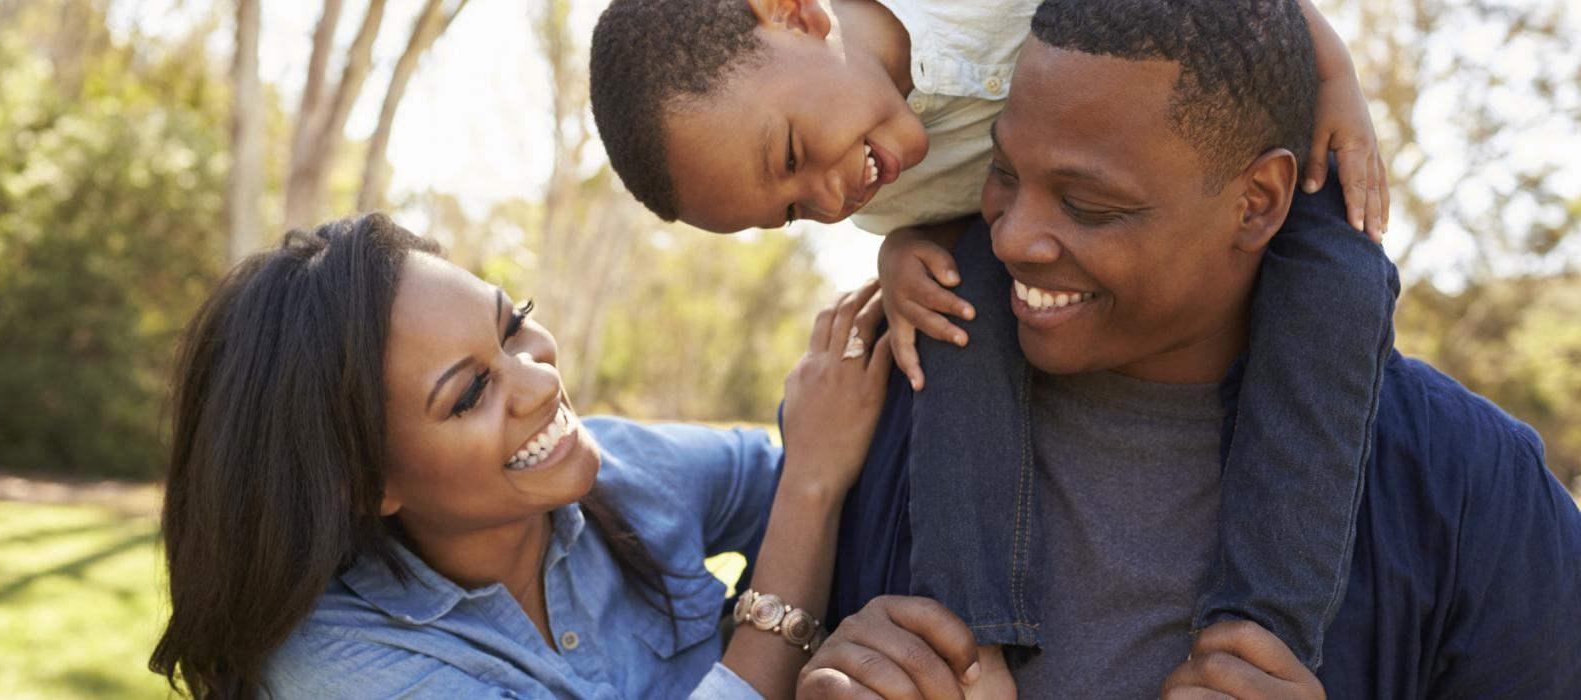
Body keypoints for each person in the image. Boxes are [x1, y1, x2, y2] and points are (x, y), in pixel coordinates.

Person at [799, 0, 1581, 696]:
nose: (1011, 236)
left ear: (1259, 202)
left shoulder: (1476, 493)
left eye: (1088, 204)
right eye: (1003, 173)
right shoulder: (871, 419)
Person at [590, 0, 1394, 673]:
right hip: (1046, 243)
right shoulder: (873, 184)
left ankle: (1260, 638)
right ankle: (968, 640)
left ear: (793, 12)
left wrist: (1334, 80)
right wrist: (898, 248)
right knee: (952, 313)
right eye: (795, 210)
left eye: (795, 153)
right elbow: (940, 218)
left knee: (1345, 277)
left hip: (1233, 161)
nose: (830, 197)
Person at [145, 213, 929, 698]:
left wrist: (912, 248)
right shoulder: (338, 665)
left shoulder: (624, 467)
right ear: (367, 483)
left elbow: (848, 480)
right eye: (468, 395)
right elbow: (812, 485)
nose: (538, 381)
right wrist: (811, 495)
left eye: (511, 323)